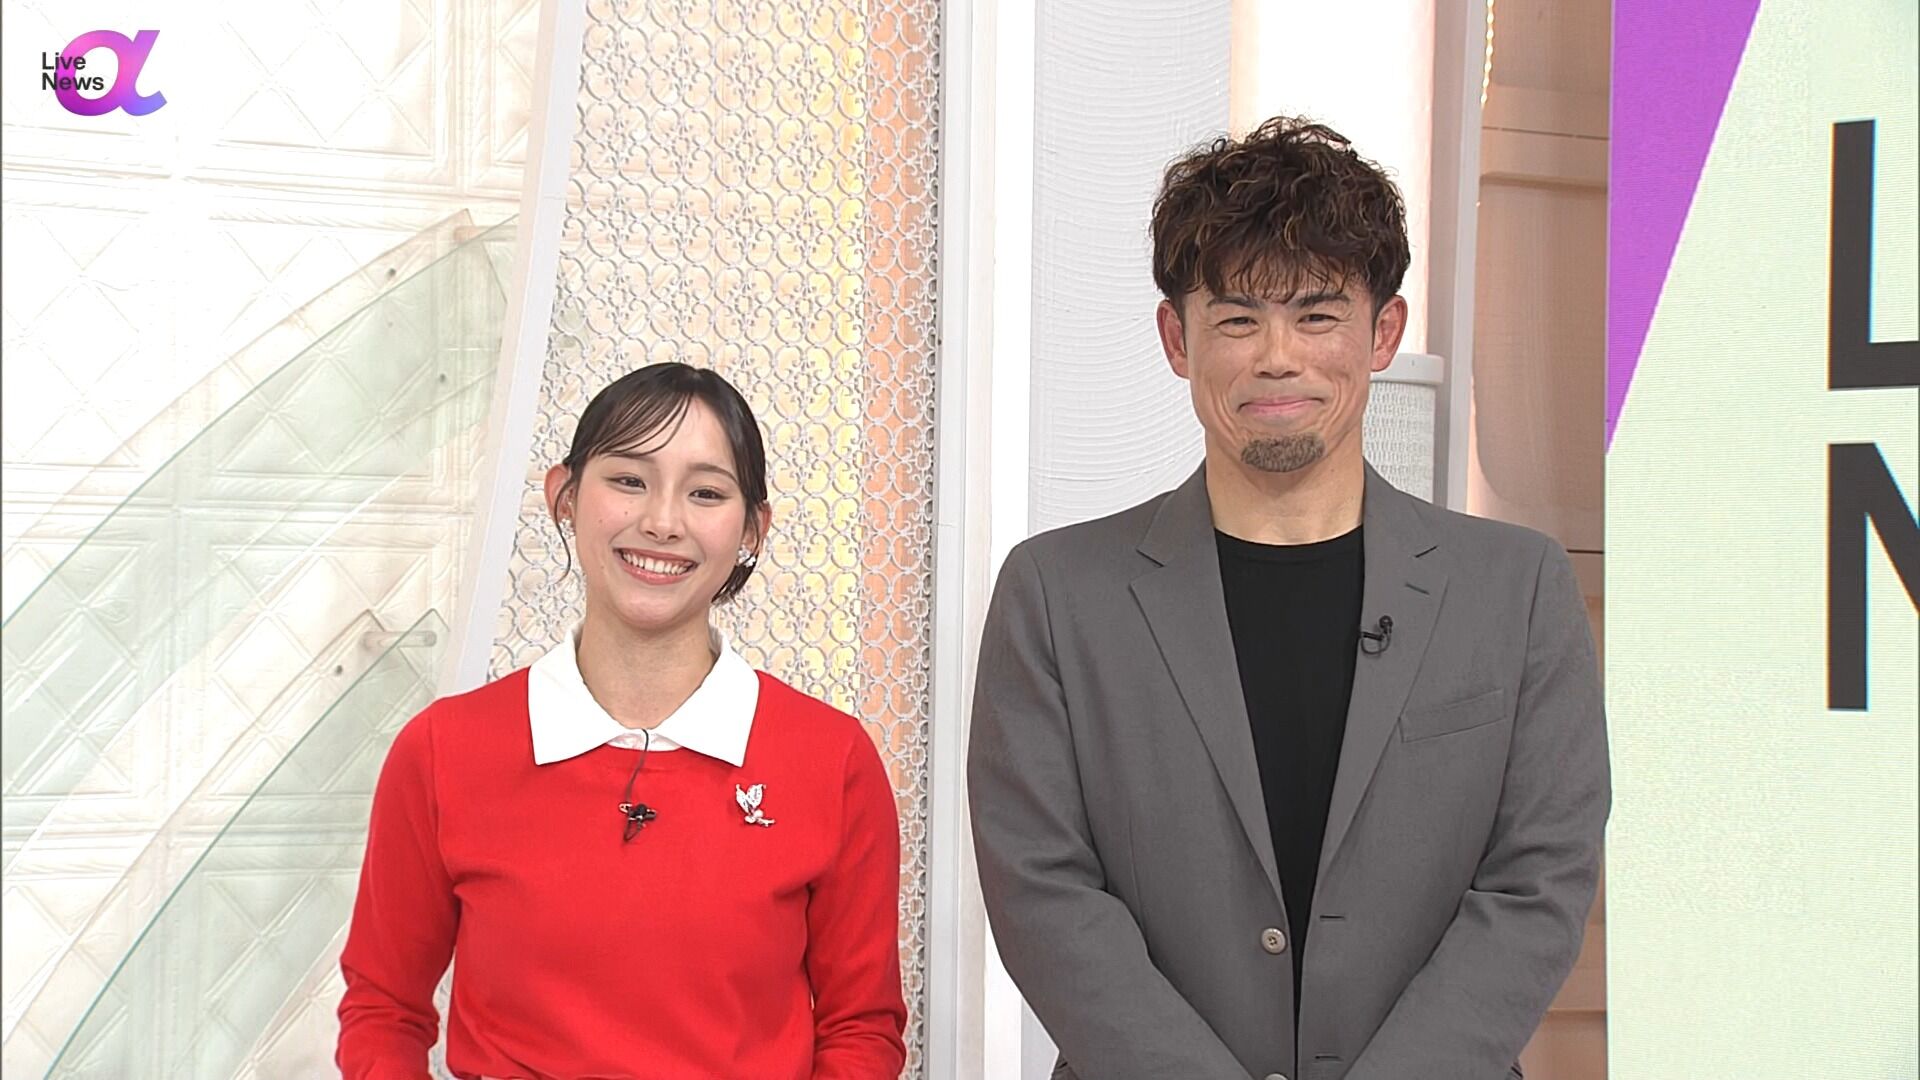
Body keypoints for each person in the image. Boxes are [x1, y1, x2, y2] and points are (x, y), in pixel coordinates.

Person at [967, 116, 1610, 1080]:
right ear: (1177, 339)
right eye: (1237, 319)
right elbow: (1042, 891)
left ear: (1383, 332)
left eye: (1317, 315)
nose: (1278, 356)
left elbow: (1539, 882)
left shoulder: (1514, 590)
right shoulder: (1056, 595)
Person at [337, 362, 907, 1079]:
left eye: (705, 493)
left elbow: (862, 1030)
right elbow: (383, 1009)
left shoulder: (830, 759)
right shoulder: (444, 749)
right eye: (629, 480)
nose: (662, 522)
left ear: (752, 530)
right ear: (565, 497)